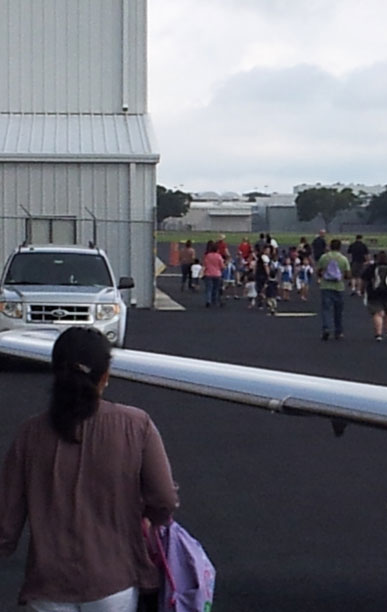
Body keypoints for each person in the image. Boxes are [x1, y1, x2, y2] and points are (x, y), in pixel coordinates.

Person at [0, 326, 179, 611]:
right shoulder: (136, 425)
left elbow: (5, 521)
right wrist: (149, 519)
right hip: (113, 581)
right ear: (105, 376)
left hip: (48, 584)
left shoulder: (29, 434)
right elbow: (165, 498)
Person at [361, 251, 387, 341]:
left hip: (374, 293)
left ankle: (378, 334)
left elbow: (364, 280)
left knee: (377, 314)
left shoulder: (371, 268)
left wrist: (362, 290)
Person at [317, 238, 350, 340]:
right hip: (339, 287)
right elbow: (348, 274)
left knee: (326, 309)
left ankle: (326, 328)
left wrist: (321, 276)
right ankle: (338, 331)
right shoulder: (343, 259)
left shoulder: (324, 257)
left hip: (326, 286)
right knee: (338, 310)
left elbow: (319, 270)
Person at [202, 241, 225, 308]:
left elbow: (205, 264)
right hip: (217, 274)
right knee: (215, 288)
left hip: (208, 273)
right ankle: (214, 301)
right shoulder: (219, 256)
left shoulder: (207, 256)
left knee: (208, 288)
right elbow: (222, 266)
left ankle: (208, 300)